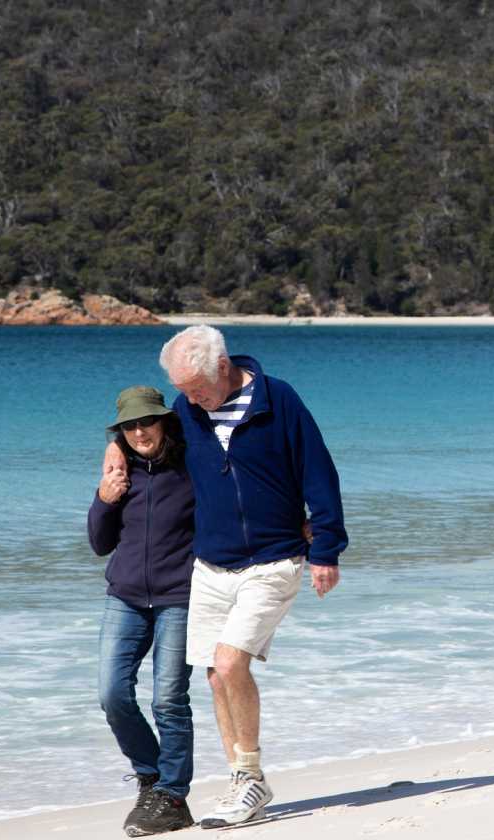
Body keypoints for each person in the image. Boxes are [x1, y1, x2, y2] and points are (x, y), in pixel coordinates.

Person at [160, 324, 348, 829]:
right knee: (215, 673)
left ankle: (250, 777)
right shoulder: (186, 411)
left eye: (196, 389)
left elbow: (318, 471)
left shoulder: (277, 399)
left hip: (273, 559)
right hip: (211, 565)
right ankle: (243, 783)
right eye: (183, 392)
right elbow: (159, 460)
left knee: (231, 661)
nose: (192, 401)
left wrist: (326, 546)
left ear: (222, 367)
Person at [87, 386, 197, 836]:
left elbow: (198, 411)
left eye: (146, 421)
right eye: (128, 426)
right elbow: (99, 544)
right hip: (125, 598)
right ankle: (150, 777)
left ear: (164, 422)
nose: (139, 432)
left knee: (169, 700)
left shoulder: (191, 465)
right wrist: (104, 499)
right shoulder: (121, 473)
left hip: (180, 597)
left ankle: (172, 796)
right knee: (111, 694)